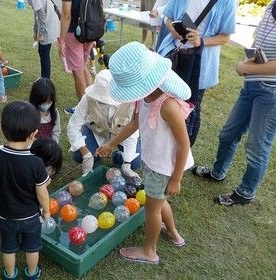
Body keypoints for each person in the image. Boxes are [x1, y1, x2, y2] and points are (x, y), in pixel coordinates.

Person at [96, 42, 193, 264]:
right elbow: (133, 124)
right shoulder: (144, 97)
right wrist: (111, 144)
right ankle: (174, 234)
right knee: (158, 201)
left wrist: (176, 178)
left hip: (165, 165)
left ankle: (150, 251)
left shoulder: (168, 105)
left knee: (152, 209)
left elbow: (184, 144)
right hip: (154, 160)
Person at [192, 0, 276, 206]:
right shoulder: (271, 6)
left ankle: (246, 192)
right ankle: (218, 172)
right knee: (228, 133)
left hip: (271, 94)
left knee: (257, 145)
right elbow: (260, 39)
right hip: (251, 86)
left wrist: (246, 68)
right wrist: (252, 59)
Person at [0, 101, 51, 280]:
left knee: (8, 248)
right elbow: (42, 192)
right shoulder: (36, 163)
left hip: (6, 216)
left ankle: (10, 278)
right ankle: (32, 277)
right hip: (31, 216)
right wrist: (46, 211)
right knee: (33, 247)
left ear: (1, 128)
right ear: (34, 134)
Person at [157, 0, 236, 146]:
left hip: (199, 63)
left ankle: (184, 151)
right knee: (163, 99)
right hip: (173, 55)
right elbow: (168, 17)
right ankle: (162, 143)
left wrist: (201, 41)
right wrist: (172, 29)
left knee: (191, 107)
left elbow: (225, 37)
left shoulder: (227, 2)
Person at [67, 69, 141, 177]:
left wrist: (127, 162)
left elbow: (132, 132)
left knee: (135, 163)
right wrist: (85, 153)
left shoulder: (130, 101)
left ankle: (118, 158)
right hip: (96, 132)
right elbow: (73, 126)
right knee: (79, 155)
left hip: (121, 135)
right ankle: (94, 158)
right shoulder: (87, 98)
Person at [58, 0, 94, 115]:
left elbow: (66, 14)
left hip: (75, 31)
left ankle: (83, 111)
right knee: (83, 67)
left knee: (78, 72)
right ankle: (93, 104)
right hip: (91, 30)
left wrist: (62, 40)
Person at [26, 0, 60, 78]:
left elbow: (41, 14)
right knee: (44, 52)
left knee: (44, 53)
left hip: (48, 25)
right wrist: (35, 30)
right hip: (49, 23)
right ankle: (44, 78)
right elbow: (37, 12)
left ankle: (45, 79)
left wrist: (41, 33)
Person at [29, 77, 61, 143]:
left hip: (48, 148)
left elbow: (56, 132)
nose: (46, 105)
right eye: (42, 102)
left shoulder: (54, 113)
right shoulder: (29, 113)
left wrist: (53, 145)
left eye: (49, 102)